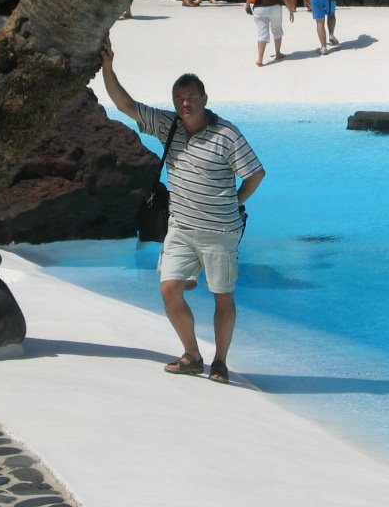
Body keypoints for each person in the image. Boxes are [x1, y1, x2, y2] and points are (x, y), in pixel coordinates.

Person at [100, 41, 266, 384]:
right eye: (179, 99)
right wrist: (108, 68)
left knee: (222, 296)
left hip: (220, 231)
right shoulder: (169, 127)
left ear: (204, 98)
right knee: (169, 289)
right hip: (180, 228)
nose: (185, 104)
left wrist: (235, 202)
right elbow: (125, 105)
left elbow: (255, 173)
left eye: (190, 97)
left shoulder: (226, 134)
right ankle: (192, 355)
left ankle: (220, 362)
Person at [246, 0, 295, 66]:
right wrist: (291, 10)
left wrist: (247, 5)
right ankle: (278, 54)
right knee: (277, 29)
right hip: (274, 8)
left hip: (259, 9)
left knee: (262, 33)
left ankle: (260, 59)